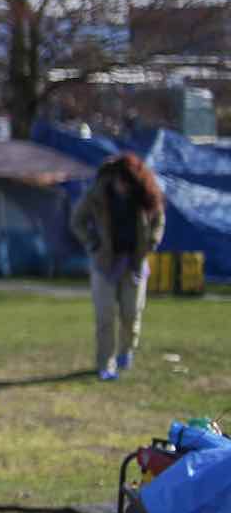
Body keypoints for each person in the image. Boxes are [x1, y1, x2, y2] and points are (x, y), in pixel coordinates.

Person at [69, 152, 166, 380]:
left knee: (131, 314)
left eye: (128, 183)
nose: (124, 187)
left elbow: (159, 219)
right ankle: (105, 364)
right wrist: (92, 243)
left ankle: (126, 350)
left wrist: (151, 242)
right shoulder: (97, 194)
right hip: (105, 262)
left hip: (134, 263)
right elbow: (77, 220)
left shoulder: (145, 195)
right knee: (105, 316)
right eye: (121, 182)